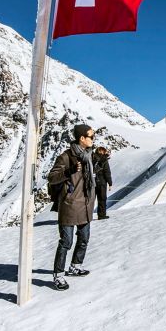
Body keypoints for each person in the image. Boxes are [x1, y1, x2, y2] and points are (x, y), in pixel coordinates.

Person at [47, 123, 97, 291]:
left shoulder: (89, 156)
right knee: (66, 242)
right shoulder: (66, 157)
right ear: (82, 138)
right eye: (91, 136)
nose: (93, 139)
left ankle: (75, 266)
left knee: (83, 239)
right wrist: (68, 171)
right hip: (69, 205)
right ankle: (58, 275)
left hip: (86, 204)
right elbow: (52, 177)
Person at [93, 146, 113, 220]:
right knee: (102, 199)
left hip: (92, 182)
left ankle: (86, 216)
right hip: (101, 183)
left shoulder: (92, 158)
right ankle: (101, 215)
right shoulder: (104, 160)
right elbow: (107, 172)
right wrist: (110, 183)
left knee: (91, 200)